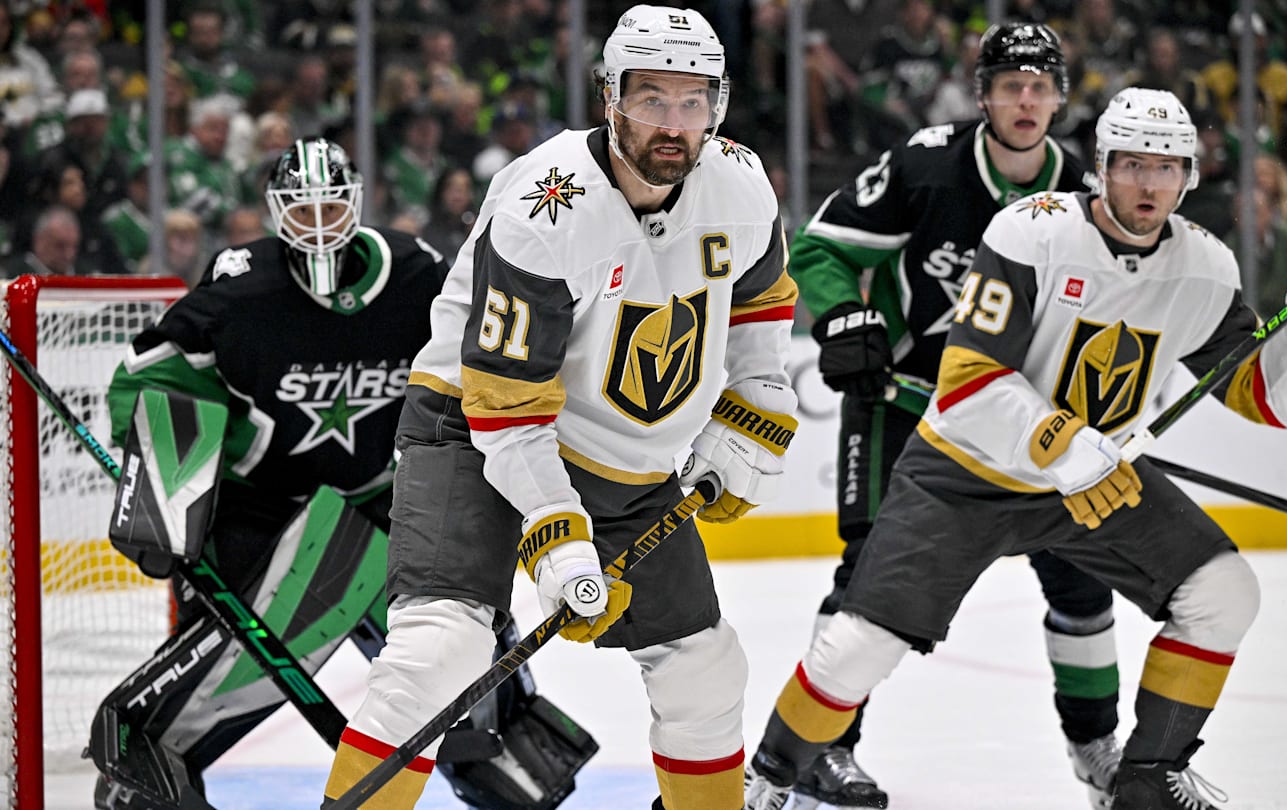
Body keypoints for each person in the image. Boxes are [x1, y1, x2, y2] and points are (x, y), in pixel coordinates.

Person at [743, 87, 1287, 810]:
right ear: (1101, 167)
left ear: (1189, 178)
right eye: (1132, 164)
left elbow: (1264, 397)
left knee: (1223, 590)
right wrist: (1071, 445)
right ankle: (766, 777)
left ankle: (1148, 779)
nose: (1149, 184)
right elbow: (968, 380)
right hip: (966, 474)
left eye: (1168, 167)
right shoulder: (1032, 233)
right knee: (860, 646)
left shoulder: (1204, 269)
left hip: (1089, 481)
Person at [321, 6, 796, 809]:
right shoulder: (547, 207)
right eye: (651, 99)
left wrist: (755, 399)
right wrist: (558, 538)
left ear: (718, 102)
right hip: (472, 426)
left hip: (620, 450)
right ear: (608, 96)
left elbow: (760, 304)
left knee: (705, 669)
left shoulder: (741, 186)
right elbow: (507, 404)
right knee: (438, 657)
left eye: (693, 101)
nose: (673, 125)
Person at [91, 137, 594, 810]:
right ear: (275, 215)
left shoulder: (417, 274)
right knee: (211, 671)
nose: (321, 226)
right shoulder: (243, 287)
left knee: (460, 646)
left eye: (333, 207)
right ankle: (148, 770)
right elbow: (151, 378)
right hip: (257, 507)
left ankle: (494, 743)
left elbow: (474, 359)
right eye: (303, 211)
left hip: (382, 498)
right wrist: (159, 487)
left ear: (358, 204)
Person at [786, 22, 1121, 809]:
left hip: (1021, 423)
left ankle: (1098, 750)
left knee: (1082, 584)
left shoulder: (1080, 191)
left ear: (1060, 99)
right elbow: (821, 247)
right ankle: (818, 753)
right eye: (1011, 85)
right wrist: (841, 319)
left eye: (1040, 86)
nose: (1027, 100)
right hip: (907, 410)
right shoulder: (926, 164)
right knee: (869, 585)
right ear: (984, 96)